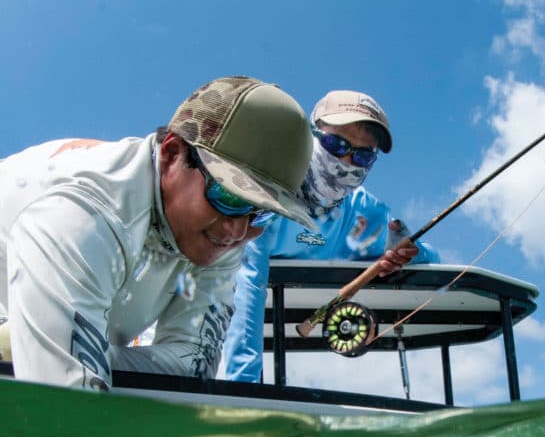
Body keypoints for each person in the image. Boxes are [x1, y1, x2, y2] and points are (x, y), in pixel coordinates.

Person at [0, 76, 315, 390]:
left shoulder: (224, 232)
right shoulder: (80, 215)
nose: (237, 230)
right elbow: (66, 412)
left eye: (262, 212)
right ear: (172, 153)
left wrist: (82, 352)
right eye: (230, 195)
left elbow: (192, 366)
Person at [221, 90, 440, 382]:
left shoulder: (364, 213)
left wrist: (410, 252)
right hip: (204, 325)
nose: (347, 160)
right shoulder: (264, 193)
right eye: (336, 144)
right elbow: (247, 285)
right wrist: (241, 393)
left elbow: (432, 260)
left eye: (362, 155)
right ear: (308, 136)